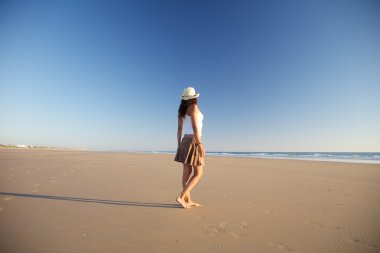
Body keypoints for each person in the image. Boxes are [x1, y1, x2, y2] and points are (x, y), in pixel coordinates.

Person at [174, 87, 206, 208]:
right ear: (194, 97)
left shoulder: (181, 111)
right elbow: (195, 127)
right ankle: (182, 196)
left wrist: (179, 145)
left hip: (184, 141)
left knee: (187, 172)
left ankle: (187, 199)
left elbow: (179, 129)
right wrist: (200, 144)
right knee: (198, 173)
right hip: (194, 141)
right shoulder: (194, 107)